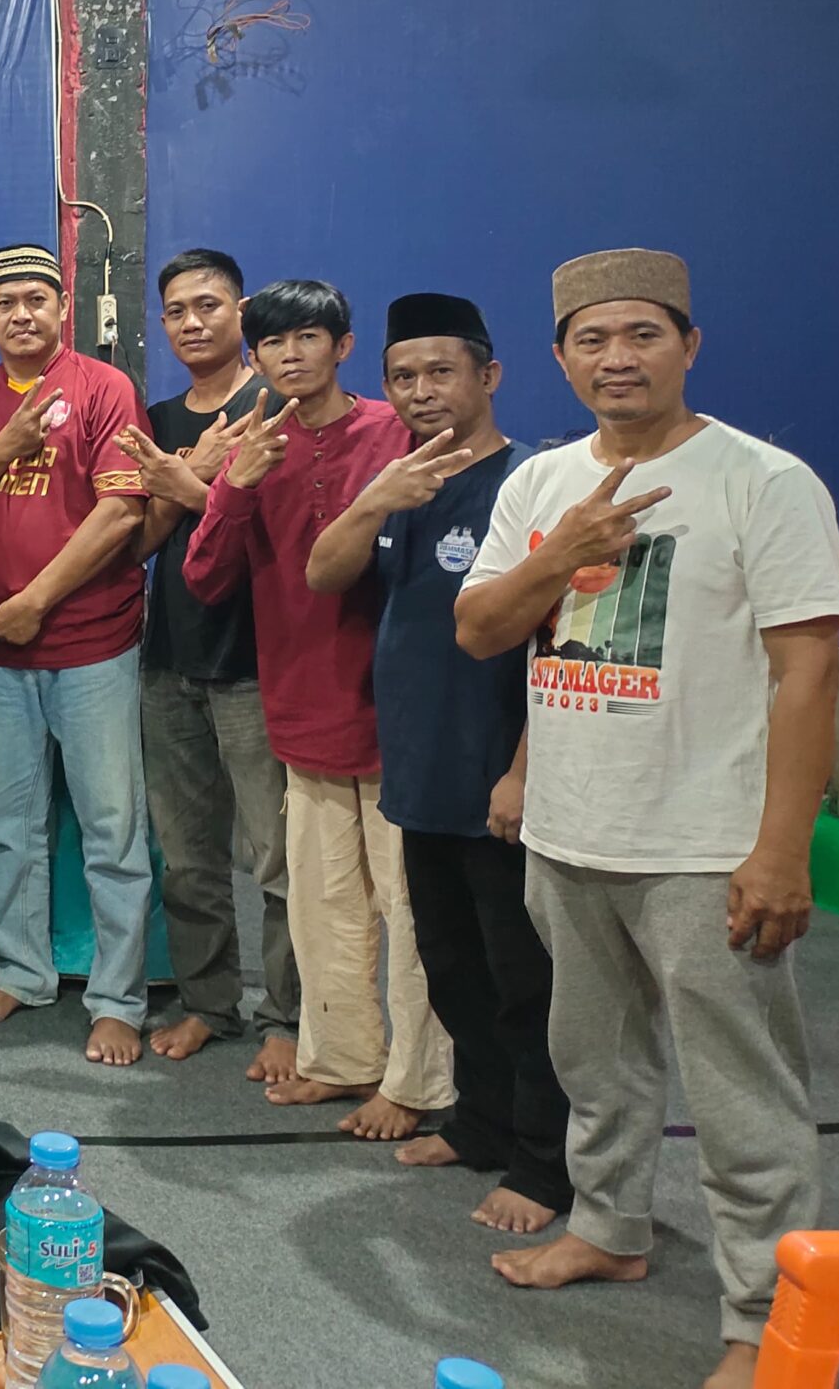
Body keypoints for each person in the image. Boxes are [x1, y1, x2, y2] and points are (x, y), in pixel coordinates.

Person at [459, 250, 839, 1389]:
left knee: (743, 1098)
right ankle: (609, 1226)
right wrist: (566, 555)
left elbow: (809, 673)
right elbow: (484, 629)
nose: (616, 358)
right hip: (571, 828)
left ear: (688, 344)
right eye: (592, 339)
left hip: (705, 844)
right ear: (559, 357)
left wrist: (780, 849)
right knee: (596, 1061)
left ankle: (768, 1324)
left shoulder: (763, 480)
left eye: (642, 334)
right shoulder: (542, 483)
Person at [304, 293, 567, 1234]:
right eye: (403, 376)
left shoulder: (530, 480)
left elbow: (560, 641)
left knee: (524, 982)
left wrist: (523, 769)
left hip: (498, 776)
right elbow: (324, 572)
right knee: (451, 967)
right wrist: (378, 496)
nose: (421, 391)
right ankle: (482, 1122)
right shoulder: (402, 484)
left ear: (488, 375)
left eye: (441, 371)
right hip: (419, 771)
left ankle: (546, 1167)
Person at [179, 278, 452, 1139]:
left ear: (343, 345)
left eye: (307, 336)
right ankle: (341, 1060)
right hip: (301, 703)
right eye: (272, 342)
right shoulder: (258, 445)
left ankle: (419, 1080)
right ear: (255, 356)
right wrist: (234, 485)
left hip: (397, 711)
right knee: (323, 903)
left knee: (412, 908)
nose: (290, 354)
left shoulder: (397, 434)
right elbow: (204, 577)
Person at [0, 244, 153, 1067]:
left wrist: (38, 599)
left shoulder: (103, 388)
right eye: (5, 302)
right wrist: (0, 449)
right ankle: (23, 971)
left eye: (37, 298)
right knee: (3, 822)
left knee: (112, 829)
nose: (22, 314)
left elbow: (121, 514)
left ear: (63, 306)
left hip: (93, 643)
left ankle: (118, 999)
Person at [115, 247, 299, 1082]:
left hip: (259, 662)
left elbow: (287, 537)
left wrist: (198, 491)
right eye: (177, 311)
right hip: (170, 661)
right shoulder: (158, 418)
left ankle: (288, 1014)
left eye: (208, 306)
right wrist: (185, 476)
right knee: (187, 855)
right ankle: (209, 1002)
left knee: (277, 857)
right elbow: (139, 544)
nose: (192, 322)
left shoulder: (279, 407)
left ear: (241, 310)